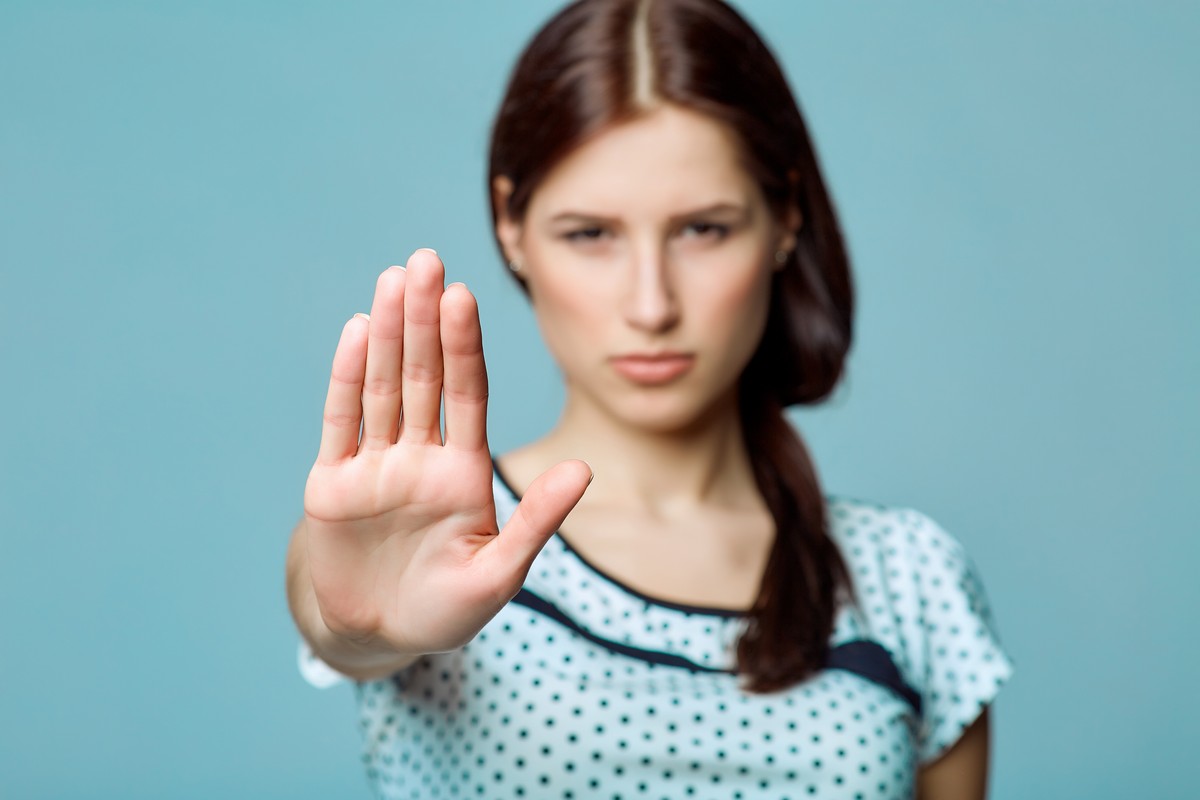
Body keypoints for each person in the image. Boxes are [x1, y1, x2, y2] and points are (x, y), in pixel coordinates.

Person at [285, 0, 1015, 797]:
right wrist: (359, 628)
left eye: (703, 229)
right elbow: (346, 623)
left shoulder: (908, 579)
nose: (651, 304)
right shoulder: (432, 537)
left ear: (784, 219)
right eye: (589, 234)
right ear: (510, 226)